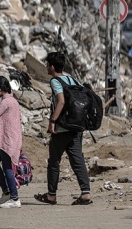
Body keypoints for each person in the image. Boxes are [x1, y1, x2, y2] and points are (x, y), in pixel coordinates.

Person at [34, 52, 92, 206]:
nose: (46, 67)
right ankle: (85, 193)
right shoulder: (71, 79)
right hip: (76, 127)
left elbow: (61, 101)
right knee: (77, 160)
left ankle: (51, 195)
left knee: (54, 161)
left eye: (47, 64)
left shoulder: (55, 81)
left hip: (62, 128)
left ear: (52, 67)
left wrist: (52, 121)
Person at [0, 76, 23, 208]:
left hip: (8, 141)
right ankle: (7, 192)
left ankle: (14, 198)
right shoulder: (13, 101)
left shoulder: (6, 102)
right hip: (10, 140)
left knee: (7, 168)